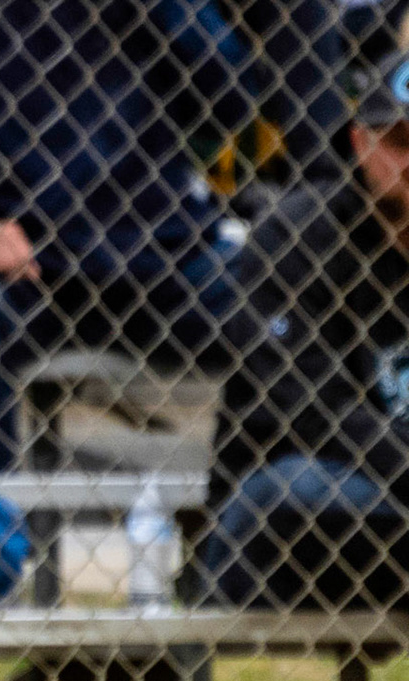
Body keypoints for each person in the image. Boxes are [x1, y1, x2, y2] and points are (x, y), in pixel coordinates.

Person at [0, 0, 260, 473]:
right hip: (21, 271)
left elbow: (230, 97)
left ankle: (247, 529)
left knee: (277, 295)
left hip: (157, 256)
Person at [205, 50, 409, 607]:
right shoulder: (296, 237)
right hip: (297, 516)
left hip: (394, 515)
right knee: (300, 486)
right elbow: (316, 411)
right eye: (400, 143)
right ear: (360, 143)